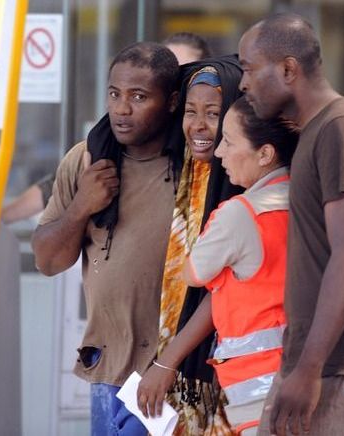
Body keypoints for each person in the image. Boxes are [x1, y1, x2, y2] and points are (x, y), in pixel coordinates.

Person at [237, 13, 344, 436]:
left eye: (248, 68)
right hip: (317, 365)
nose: (243, 83)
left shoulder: (342, 126)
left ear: (288, 69)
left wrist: (308, 370)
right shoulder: (319, 130)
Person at [31, 42, 181, 436]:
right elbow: (47, 262)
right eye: (114, 95)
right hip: (109, 369)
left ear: (171, 102)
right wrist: (82, 205)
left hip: (176, 372)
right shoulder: (86, 159)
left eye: (138, 97)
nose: (122, 109)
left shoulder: (195, 167)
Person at [138, 96, 298, 435]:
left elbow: (193, 274)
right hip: (301, 383)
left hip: (257, 392)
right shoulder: (307, 204)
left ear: (265, 154)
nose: (220, 151)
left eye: (229, 140)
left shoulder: (240, 212)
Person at [1, 32, 211, 225]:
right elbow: (53, 188)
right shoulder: (105, 144)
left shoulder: (209, 149)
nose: (172, 79)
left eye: (184, 72)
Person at [155, 56, 243, 434]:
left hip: (227, 372)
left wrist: (168, 361)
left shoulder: (241, 184)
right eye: (191, 112)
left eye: (213, 113)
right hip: (174, 370)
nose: (199, 125)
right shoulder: (187, 174)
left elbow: (219, 285)